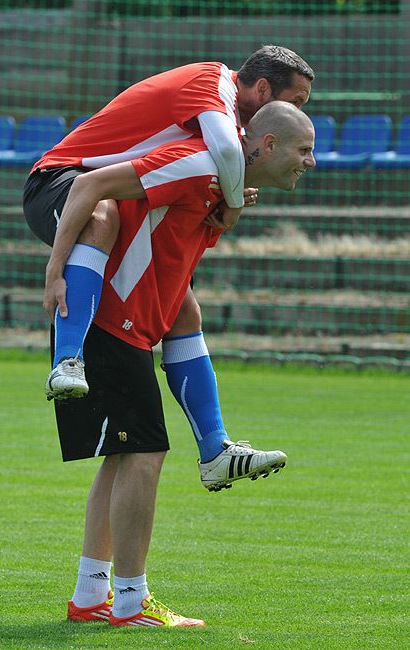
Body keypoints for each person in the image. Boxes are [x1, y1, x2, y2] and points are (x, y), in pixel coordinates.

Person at [41, 101, 315, 627]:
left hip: (134, 328)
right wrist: (56, 272)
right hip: (109, 323)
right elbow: (91, 184)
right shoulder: (197, 162)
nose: (312, 162)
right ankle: (130, 600)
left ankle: (91, 597)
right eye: (304, 149)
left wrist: (232, 203)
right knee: (145, 455)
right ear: (270, 144)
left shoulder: (222, 189)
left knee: (122, 458)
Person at [23, 44, 314, 474]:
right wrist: (233, 202)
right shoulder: (213, 85)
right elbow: (229, 155)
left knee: (183, 307)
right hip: (63, 176)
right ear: (263, 88)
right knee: (101, 219)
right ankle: (67, 359)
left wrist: (231, 194)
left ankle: (215, 449)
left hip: (103, 189)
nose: (297, 112)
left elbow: (218, 162)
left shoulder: (227, 128)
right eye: (295, 101)